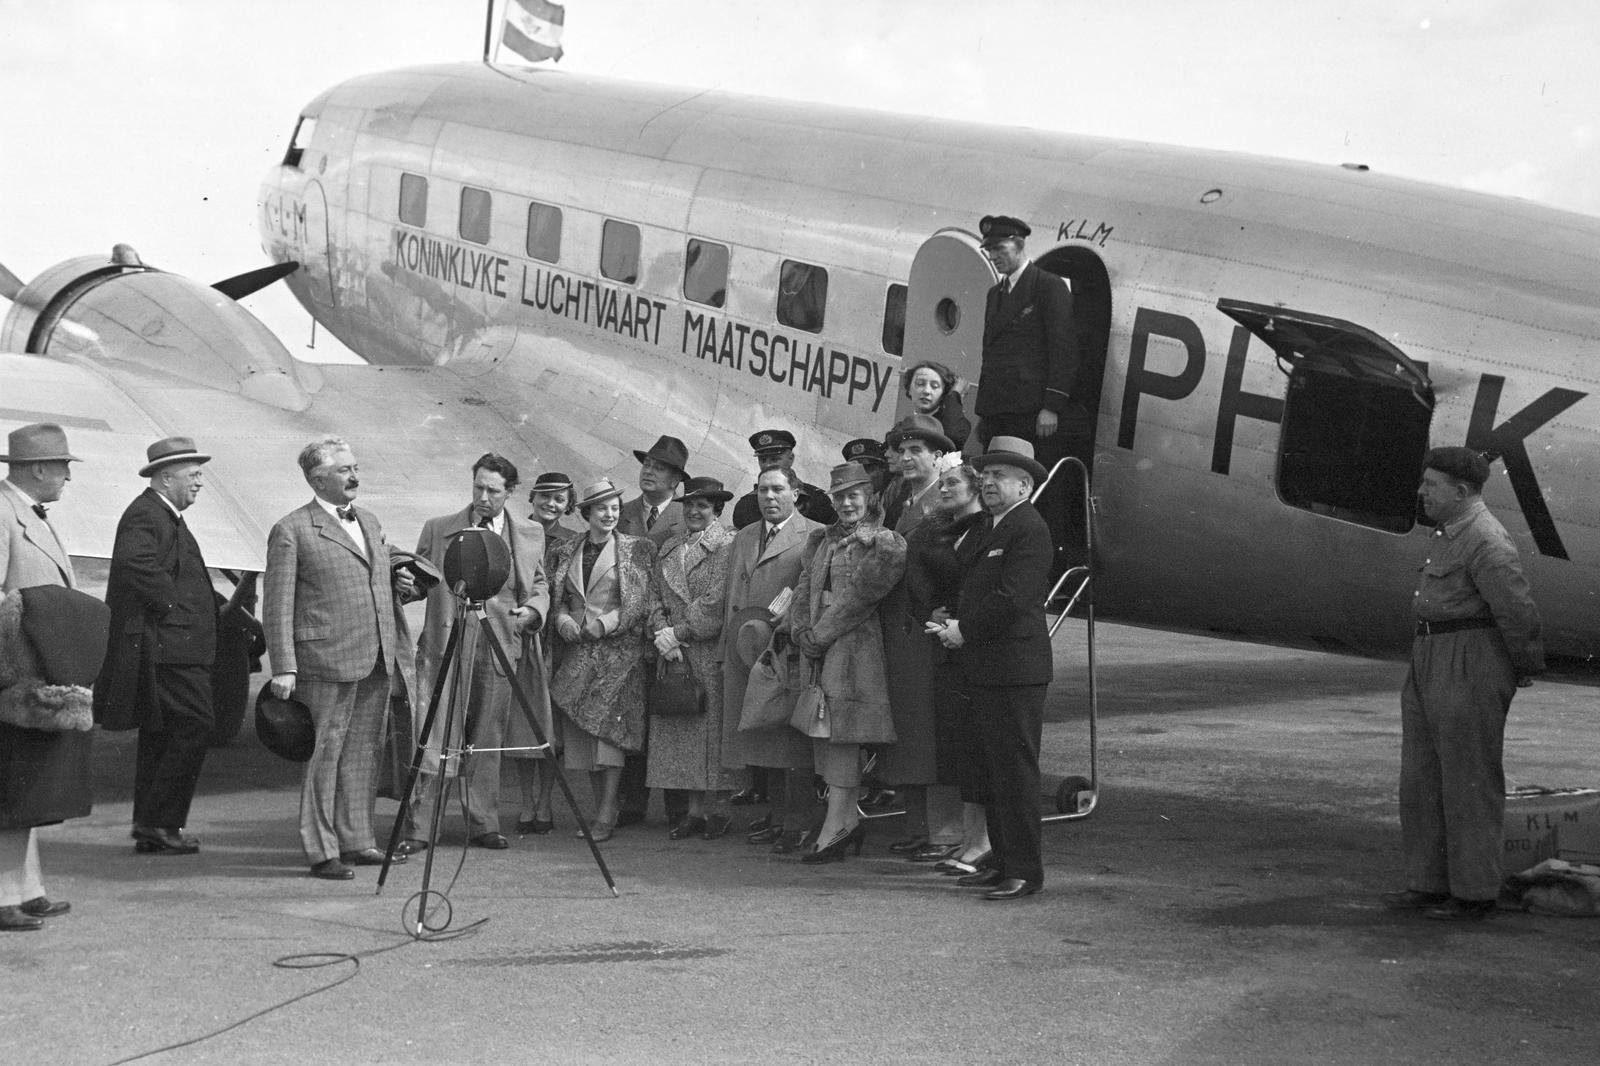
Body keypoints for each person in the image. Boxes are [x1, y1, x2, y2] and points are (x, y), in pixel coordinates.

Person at [1383, 447, 1544, 922]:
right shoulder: (1448, 532)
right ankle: (1427, 885)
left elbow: (1518, 612)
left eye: (1430, 485)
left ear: (1461, 491)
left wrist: (1514, 669)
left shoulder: (1486, 540)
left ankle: (1474, 894)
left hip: (1469, 657)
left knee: (1468, 781)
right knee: (1421, 778)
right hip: (1430, 653)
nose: (1421, 492)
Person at [264, 437, 415, 880]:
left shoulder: (368, 520)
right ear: (317, 479)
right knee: (324, 755)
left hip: (374, 656)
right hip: (323, 661)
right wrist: (284, 667)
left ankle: (357, 840)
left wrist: (398, 586)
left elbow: (373, 580)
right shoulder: (291, 529)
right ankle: (322, 849)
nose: (355, 476)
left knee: (362, 754)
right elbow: (276, 603)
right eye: (344, 470)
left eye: (355, 468)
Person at [401, 454, 548, 851]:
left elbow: (539, 583)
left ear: (510, 492)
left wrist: (535, 609)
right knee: (435, 734)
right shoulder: (439, 529)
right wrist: (402, 585)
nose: (483, 497)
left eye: (493, 490)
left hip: (499, 645)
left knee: (488, 736)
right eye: (478, 487)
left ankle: (483, 821)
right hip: (446, 644)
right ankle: (420, 826)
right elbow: (420, 581)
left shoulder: (530, 533)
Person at [933, 435, 1054, 901]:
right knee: (992, 770)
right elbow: (972, 585)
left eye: (999, 476)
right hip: (987, 666)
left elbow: (1013, 597)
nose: (987, 482)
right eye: (984, 475)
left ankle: (1024, 870)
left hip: (1014, 668)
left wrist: (966, 630)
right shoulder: (991, 527)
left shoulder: (1029, 527)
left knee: (1015, 772)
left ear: (1024, 485)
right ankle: (1002, 862)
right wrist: (950, 614)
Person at [98, 437, 220, 856]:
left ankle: (152, 825)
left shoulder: (161, 514)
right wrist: (173, 607)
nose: (201, 482)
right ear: (166, 478)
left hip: (174, 647)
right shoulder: (147, 514)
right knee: (193, 725)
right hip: (172, 649)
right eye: (193, 474)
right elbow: (136, 565)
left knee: (164, 732)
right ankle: (161, 824)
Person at [788, 461, 906, 863]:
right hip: (819, 650)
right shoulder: (820, 541)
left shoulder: (884, 543)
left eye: (853, 495)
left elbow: (859, 598)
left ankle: (839, 825)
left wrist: (818, 634)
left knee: (842, 738)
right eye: (838, 496)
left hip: (855, 652)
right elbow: (803, 588)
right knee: (823, 735)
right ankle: (843, 822)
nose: (845, 503)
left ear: (870, 497)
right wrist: (800, 630)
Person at [0, 424, 82, 930]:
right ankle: (3, 896)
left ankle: (27, 888)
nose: (68, 476)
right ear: (38, 469)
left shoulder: (26, 512)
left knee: (27, 785)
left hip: (32, 673)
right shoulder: (3, 513)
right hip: (13, 676)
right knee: (10, 787)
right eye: (64, 466)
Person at [975, 214, 1087, 573]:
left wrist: (1052, 405)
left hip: (1031, 411)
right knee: (997, 489)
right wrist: (985, 414)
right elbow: (991, 356)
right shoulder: (996, 294)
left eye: (1000, 248)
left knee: (1035, 491)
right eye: (989, 249)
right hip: (1000, 410)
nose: (994, 255)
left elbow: (1064, 348)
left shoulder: (1048, 286)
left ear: (1020, 246)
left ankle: (1038, 570)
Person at [722, 466, 824, 853]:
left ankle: (799, 822)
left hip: (786, 649)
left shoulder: (813, 534)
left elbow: (811, 588)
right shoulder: (746, 536)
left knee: (790, 741)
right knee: (764, 739)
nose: (770, 497)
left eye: (778, 489)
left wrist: (792, 616)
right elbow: (733, 589)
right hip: (746, 647)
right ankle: (779, 817)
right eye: (763, 490)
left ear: (795, 494)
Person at [549, 477, 656, 842]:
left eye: (614, 508)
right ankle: (599, 810)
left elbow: (640, 602)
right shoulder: (567, 550)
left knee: (609, 734)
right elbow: (559, 596)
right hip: (578, 652)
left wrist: (605, 624)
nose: (609, 514)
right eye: (601, 508)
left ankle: (608, 812)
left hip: (617, 655)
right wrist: (562, 620)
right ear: (586, 513)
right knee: (583, 736)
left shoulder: (635, 549)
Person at [646, 477, 740, 839]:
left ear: (717, 509)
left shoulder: (727, 546)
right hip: (672, 653)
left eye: (703, 505)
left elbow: (717, 601)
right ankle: (694, 812)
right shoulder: (670, 546)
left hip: (706, 650)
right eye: (689, 505)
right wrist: (661, 633)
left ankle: (720, 810)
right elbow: (654, 595)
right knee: (683, 732)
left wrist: (678, 632)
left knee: (712, 734)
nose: (694, 511)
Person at [910, 462, 992, 873]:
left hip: (975, 643)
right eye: (941, 483)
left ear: (975, 487)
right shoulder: (934, 529)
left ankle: (975, 838)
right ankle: (953, 834)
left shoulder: (990, 527)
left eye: (953, 482)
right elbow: (916, 578)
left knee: (973, 745)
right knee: (948, 740)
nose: (943, 488)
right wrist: (930, 609)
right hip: (941, 643)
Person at [878, 415, 955, 854]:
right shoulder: (902, 502)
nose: (907, 459)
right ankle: (916, 828)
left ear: (937, 457)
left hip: (926, 632)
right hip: (900, 630)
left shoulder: (943, 504)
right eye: (902, 451)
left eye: (917, 452)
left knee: (930, 732)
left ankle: (942, 834)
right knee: (908, 732)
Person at [617, 434, 691, 827]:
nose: (649, 471)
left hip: (669, 633)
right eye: (647, 464)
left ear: (676, 480)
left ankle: (678, 806)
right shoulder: (623, 512)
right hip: (629, 632)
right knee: (633, 716)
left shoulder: (688, 514)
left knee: (674, 713)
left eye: (660, 468)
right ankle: (632, 802)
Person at [514, 471, 580, 833]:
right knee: (526, 720)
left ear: (568, 504)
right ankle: (525, 802)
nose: (550, 504)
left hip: (558, 638)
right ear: (532, 498)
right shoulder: (517, 533)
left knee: (551, 725)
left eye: (558, 498)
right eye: (544, 496)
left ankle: (545, 803)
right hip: (526, 634)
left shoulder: (572, 540)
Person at [730, 429, 836, 529]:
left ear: (791, 458)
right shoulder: (746, 506)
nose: (767, 465)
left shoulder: (817, 501)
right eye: (763, 460)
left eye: (774, 459)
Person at [903, 360, 972, 451]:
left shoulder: (955, 424)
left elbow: (952, 436)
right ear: (909, 390)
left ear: (944, 394)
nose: (926, 391)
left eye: (935, 386)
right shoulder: (902, 425)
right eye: (920, 384)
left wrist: (953, 395)